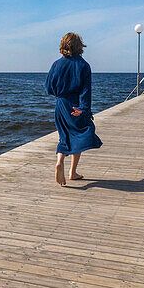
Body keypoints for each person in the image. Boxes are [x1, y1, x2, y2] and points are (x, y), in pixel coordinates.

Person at [45, 32, 103, 186]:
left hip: (61, 104)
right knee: (80, 135)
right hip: (76, 105)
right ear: (79, 46)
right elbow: (86, 91)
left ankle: (60, 160)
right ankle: (72, 172)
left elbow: (49, 88)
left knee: (64, 135)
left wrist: (60, 94)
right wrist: (83, 109)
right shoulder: (84, 65)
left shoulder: (56, 64)